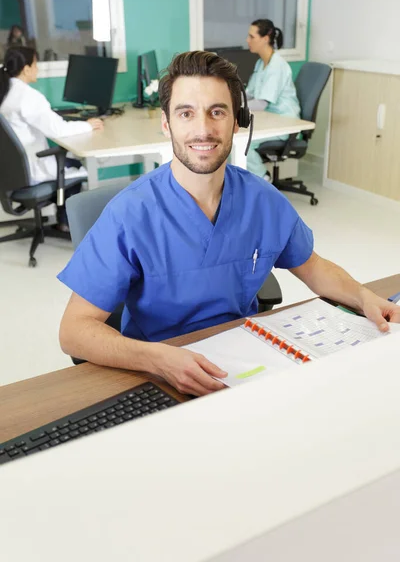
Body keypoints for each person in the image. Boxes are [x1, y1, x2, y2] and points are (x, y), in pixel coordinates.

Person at [58, 51, 400, 397]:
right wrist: (157, 360)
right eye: (186, 113)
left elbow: (313, 267)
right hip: (157, 372)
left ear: (237, 121)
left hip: (246, 363)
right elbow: (74, 330)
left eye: (217, 112)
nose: (203, 129)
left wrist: (362, 296)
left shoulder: (261, 199)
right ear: (166, 124)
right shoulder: (129, 215)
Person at [0, 46, 103, 230]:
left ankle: (63, 220)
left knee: (67, 163)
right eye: (35, 64)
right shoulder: (28, 97)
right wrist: (88, 125)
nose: (37, 69)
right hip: (30, 170)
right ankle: (65, 223)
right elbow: (58, 130)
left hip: (9, 173)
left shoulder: (4, 92)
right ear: (26, 69)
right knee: (76, 166)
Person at [245, 19, 301, 178]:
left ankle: (263, 180)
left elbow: (261, 103)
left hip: (284, 122)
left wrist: (235, 108)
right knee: (237, 137)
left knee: (243, 143)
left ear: (265, 39)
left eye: (251, 37)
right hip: (270, 119)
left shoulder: (277, 66)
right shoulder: (260, 64)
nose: (247, 40)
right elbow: (249, 94)